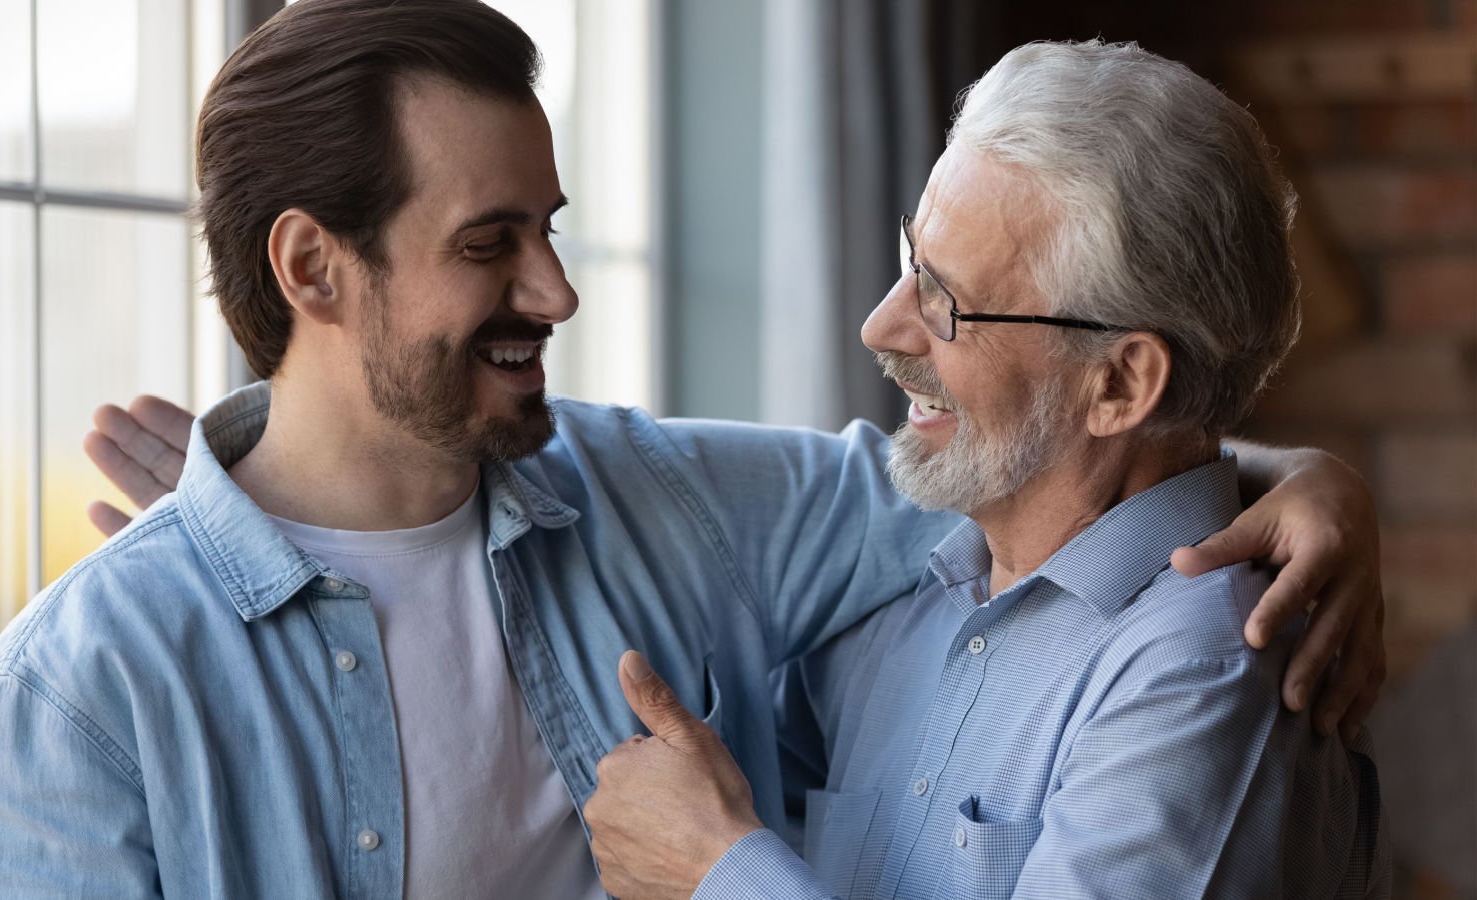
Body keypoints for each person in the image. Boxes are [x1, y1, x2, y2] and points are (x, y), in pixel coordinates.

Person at [0, 2, 1383, 896]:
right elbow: (1060, 458)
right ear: (314, 270)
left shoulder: (696, 512)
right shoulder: (80, 704)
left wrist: (1300, 476)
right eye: (491, 243)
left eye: (550, 231)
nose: (557, 294)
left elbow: (1080, 478)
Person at [583, 40, 1389, 899]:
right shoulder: (906, 580)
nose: (881, 327)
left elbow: (727, 851)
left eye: (946, 300)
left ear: (1118, 384)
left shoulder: (1209, 672)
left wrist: (718, 873)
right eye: (911, 263)